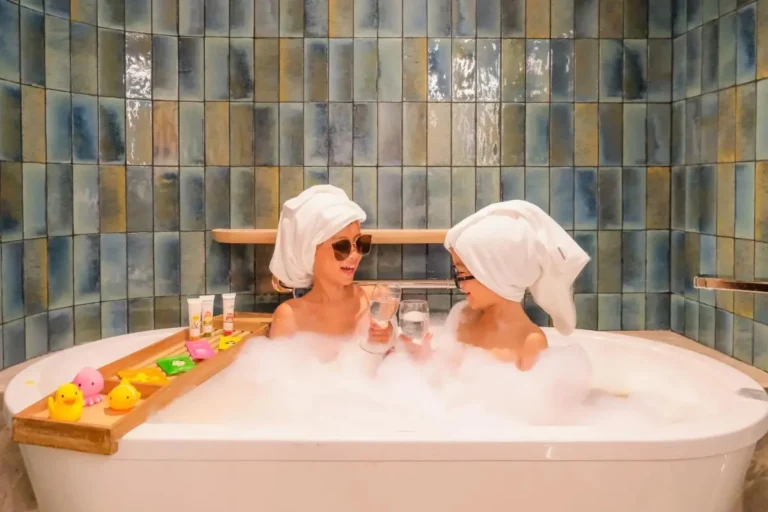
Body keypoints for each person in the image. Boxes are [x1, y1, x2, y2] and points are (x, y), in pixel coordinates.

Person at [404, 200, 590, 371]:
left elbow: (529, 403)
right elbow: (443, 378)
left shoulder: (530, 342)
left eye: (462, 274)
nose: (460, 286)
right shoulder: (463, 315)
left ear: (498, 275)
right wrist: (423, 357)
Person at [267, 185, 392, 346]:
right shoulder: (290, 317)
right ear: (310, 251)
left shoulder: (377, 298)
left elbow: (406, 358)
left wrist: (391, 338)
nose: (355, 255)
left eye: (361, 243)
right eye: (342, 246)